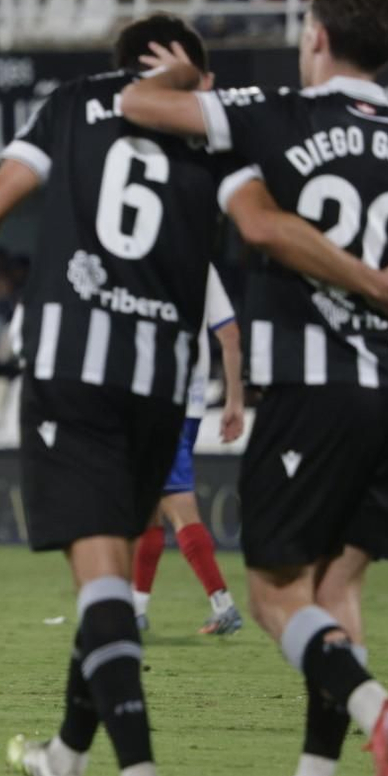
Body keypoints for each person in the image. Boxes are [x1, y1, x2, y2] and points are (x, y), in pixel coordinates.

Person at [0, 11, 388, 776]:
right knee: (113, 581)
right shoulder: (218, 139)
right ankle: (66, 757)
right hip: (163, 385)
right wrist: (375, 283)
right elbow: (266, 228)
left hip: (73, 373)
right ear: (187, 72)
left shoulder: (72, 104)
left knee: (101, 584)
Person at [122, 0, 388, 776]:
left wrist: (185, 81)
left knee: (276, 593)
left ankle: (381, 709)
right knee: (334, 594)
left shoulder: (271, 112)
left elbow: (136, 109)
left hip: (314, 393)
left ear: (316, 35)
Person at [132, 265, 246, 637]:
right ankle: (136, 610)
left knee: (179, 508)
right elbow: (228, 333)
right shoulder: (202, 263)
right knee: (149, 511)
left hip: (159, 403)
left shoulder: (140, 252)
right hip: (188, 404)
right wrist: (233, 400)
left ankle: (223, 605)